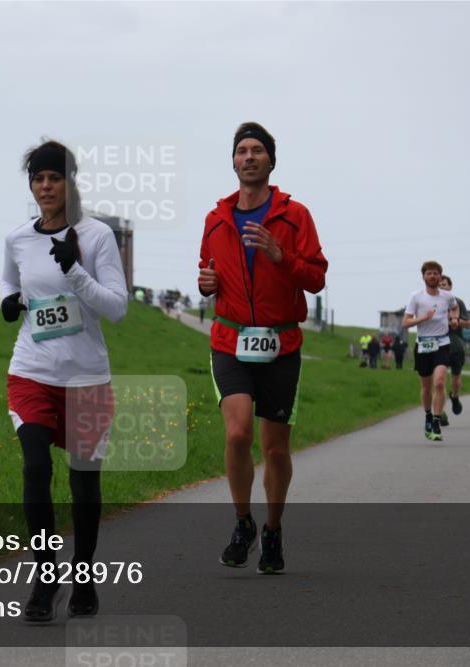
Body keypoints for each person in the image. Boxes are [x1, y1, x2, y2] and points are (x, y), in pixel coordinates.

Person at [0, 140, 128, 621]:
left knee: (84, 484)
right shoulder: (18, 238)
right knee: (35, 468)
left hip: (87, 378)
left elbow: (116, 307)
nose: (46, 186)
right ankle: (44, 576)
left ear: (71, 182)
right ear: (31, 185)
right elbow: (10, 282)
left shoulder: (95, 237)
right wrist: (7, 303)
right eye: (38, 179)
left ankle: (84, 577)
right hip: (32, 370)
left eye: (55, 177)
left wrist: (74, 270)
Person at [197, 121, 328, 573]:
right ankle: (242, 522)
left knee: (274, 448)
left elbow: (316, 277)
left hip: (280, 344)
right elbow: (206, 272)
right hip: (230, 339)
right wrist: (205, 282)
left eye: (257, 150)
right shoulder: (216, 219)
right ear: (233, 161)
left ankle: (272, 530)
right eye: (241, 151)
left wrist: (280, 256)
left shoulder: (296, 216)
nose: (248, 157)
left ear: (271, 161)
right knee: (237, 434)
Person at [402, 261, 459, 442]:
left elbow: (455, 307)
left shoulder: (447, 296)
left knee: (440, 383)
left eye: (435, 273)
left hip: (442, 343)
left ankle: (436, 421)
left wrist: (454, 318)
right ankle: (427, 415)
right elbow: (405, 323)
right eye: (429, 273)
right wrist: (422, 318)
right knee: (426, 387)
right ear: (423, 276)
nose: (432, 276)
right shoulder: (416, 297)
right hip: (423, 344)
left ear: (440, 276)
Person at [438, 275, 470, 424]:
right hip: (438, 347)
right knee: (439, 381)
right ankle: (441, 412)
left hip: (456, 346)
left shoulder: (458, 303)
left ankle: (455, 396)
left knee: (455, 381)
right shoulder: (432, 304)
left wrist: (455, 320)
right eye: (439, 285)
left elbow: (468, 323)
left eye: (444, 284)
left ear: (450, 287)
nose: (441, 287)